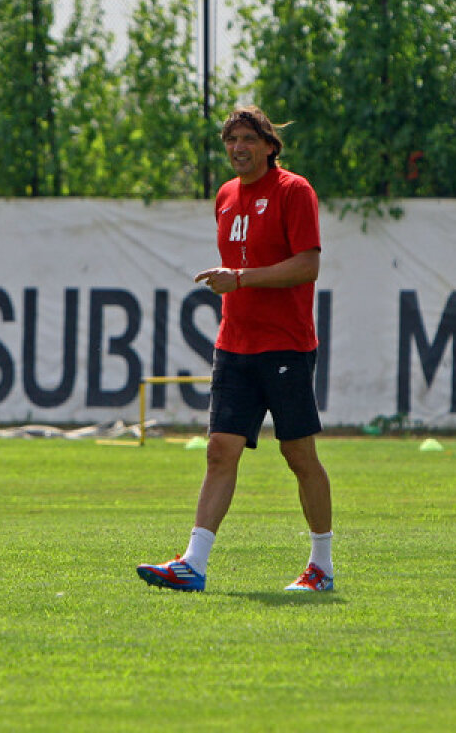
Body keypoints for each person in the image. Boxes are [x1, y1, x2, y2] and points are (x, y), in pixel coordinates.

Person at [136, 106, 334, 593]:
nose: (237, 147)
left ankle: (322, 567)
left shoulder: (294, 191)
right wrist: (234, 282)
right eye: (230, 140)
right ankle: (193, 563)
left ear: (270, 145)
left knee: (298, 454)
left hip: (285, 345)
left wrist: (240, 278)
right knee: (220, 451)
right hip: (234, 345)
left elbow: (308, 266)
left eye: (247, 138)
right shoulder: (225, 195)